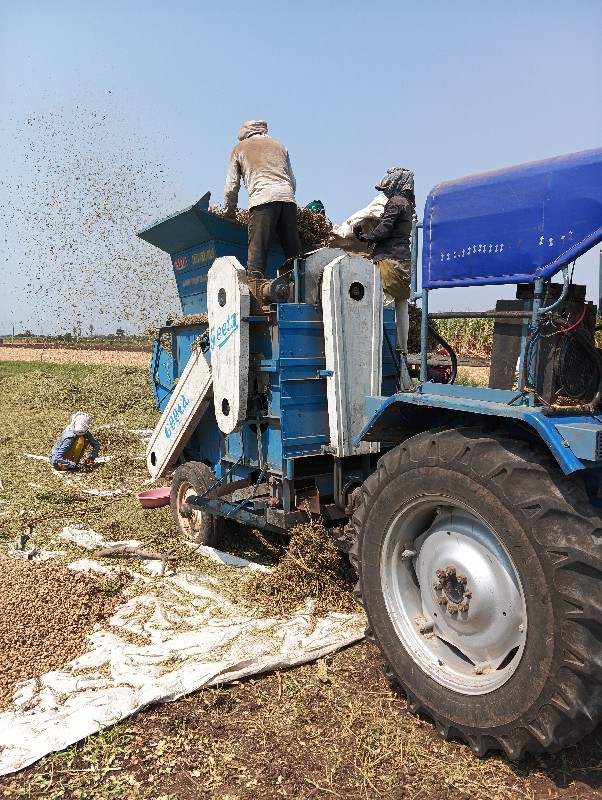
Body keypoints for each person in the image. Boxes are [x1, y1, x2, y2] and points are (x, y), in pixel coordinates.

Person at [223, 120, 301, 279]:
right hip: (288, 200)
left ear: (245, 133)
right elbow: (292, 182)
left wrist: (229, 212)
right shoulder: (280, 146)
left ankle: (256, 294)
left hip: (262, 201)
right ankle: (299, 289)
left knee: (256, 262)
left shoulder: (240, 148)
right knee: (294, 258)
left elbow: (231, 187)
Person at [353, 167, 415, 359]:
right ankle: (402, 349)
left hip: (389, 260)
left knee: (384, 303)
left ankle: (381, 351)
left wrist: (366, 237)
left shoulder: (395, 202)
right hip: (404, 260)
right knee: (402, 304)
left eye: (387, 188)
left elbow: (384, 229)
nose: (385, 193)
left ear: (397, 185)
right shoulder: (409, 205)